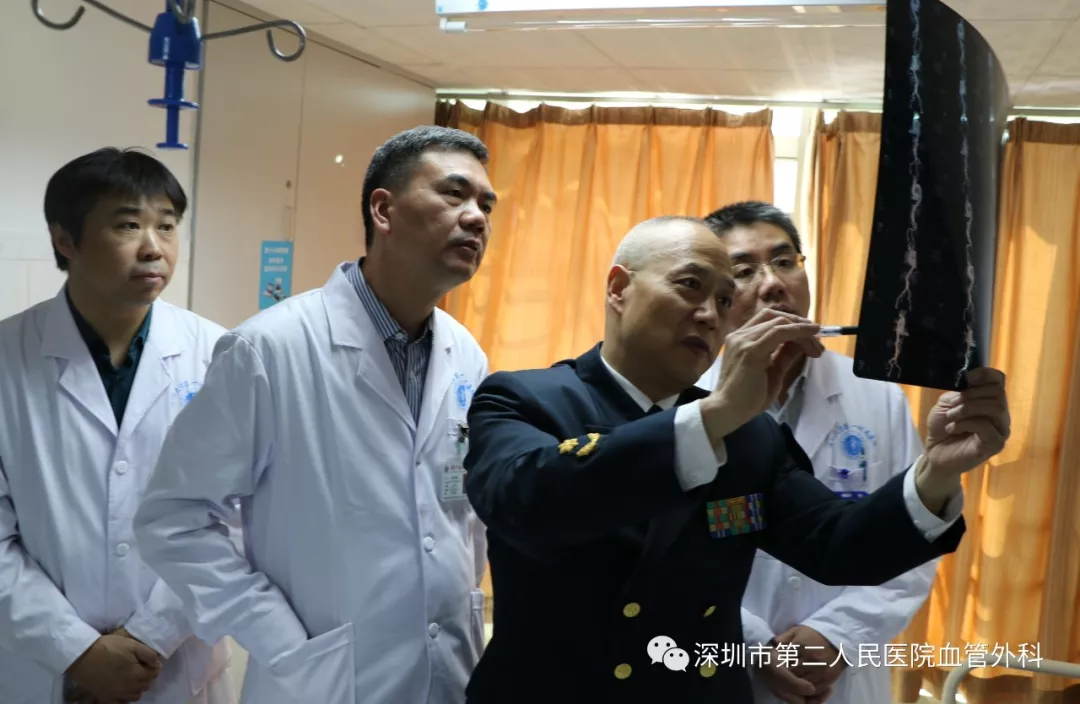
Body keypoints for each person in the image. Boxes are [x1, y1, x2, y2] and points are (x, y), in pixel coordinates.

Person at [461, 215, 1011, 704]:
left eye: (725, 301)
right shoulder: (523, 398)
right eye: (690, 285)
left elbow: (839, 545)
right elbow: (529, 506)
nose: (709, 315)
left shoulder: (749, 435)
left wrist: (938, 469)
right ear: (619, 288)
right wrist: (715, 414)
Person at [134, 125, 498, 704]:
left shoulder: (465, 355)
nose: (476, 217)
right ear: (383, 210)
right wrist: (281, 639)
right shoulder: (269, 349)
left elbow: (462, 518)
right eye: (455, 194)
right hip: (322, 679)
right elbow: (172, 521)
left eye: (486, 204)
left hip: (447, 671)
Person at [0, 148, 233, 704]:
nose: (154, 247)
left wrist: (150, 636)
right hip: (42, 668)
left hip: (177, 665)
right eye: (128, 225)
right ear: (65, 239)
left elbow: (237, 519)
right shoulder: (7, 356)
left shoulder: (220, 354)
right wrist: (76, 650)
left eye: (167, 226)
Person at [695, 201, 938, 704]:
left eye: (785, 261)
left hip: (842, 678)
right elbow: (673, 557)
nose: (773, 284)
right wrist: (754, 644)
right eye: (744, 271)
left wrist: (837, 635)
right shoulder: (688, 403)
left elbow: (910, 539)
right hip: (727, 669)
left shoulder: (877, 394)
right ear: (716, 297)